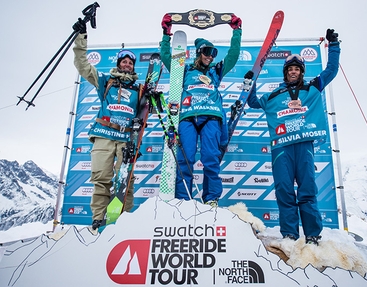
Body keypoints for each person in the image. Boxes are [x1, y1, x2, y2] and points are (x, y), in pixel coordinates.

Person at [247, 29, 341, 245]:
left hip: (304, 145)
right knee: (284, 190)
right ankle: (289, 233)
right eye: (290, 69)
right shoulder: (274, 95)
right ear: (285, 72)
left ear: (302, 71)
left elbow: (331, 70)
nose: (293, 72)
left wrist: (333, 46)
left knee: (307, 190)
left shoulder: (313, 87)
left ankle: (312, 235)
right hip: (281, 148)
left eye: (297, 69)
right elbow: (252, 102)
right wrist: (250, 82)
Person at [159, 13, 242, 207]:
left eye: (213, 53)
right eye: (206, 51)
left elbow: (233, 55)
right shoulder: (185, 70)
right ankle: (183, 199)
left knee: (210, 159)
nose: (210, 56)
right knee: (185, 160)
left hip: (211, 117)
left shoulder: (215, 71)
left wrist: (237, 31)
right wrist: (166, 34)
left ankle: (211, 198)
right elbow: (165, 56)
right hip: (187, 117)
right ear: (198, 52)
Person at [72, 18, 143, 230]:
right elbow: (82, 64)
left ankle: (123, 220)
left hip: (126, 139)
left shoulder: (139, 90)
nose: (127, 64)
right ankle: (98, 219)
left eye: (130, 62)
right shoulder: (105, 81)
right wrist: (81, 37)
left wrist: (152, 98)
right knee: (102, 180)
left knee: (125, 181)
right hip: (104, 135)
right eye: (124, 61)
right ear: (118, 63)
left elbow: (148, 112)